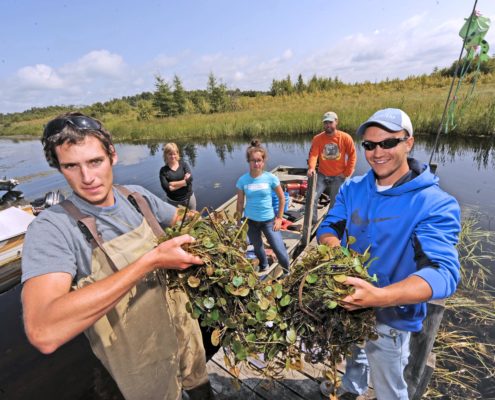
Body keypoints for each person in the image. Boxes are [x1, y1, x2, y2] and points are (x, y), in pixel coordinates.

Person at [21, 112, 214, 400]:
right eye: (71, 166)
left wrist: (217, 232)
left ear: (112, 156)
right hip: (140, 366)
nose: (87, 178)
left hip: (185, 336)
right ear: (60, 169)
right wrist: (151, 261)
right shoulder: (52, 228)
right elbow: (43, 331)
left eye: (95, 161)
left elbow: (182, 218)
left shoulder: (136, 197)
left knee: (201, 389)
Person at [317, 108, 461, 399]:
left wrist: (378, 297)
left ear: (409, 142)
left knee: (389, 385)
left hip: (393, 317)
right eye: (369, 145)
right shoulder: (353, 187)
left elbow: (443, 273)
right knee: (353, 352)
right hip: (348, 301)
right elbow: (329, 226)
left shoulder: (434, 204)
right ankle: (352, 387)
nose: (377, 152)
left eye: (388, 142)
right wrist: (339, 254)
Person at [236, 139, 290, 276]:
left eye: (259, 160)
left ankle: (287, 272)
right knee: (258, 247)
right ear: (249, 161)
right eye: (253, 160)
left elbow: (282, 198)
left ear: (263, 161)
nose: (256, 163)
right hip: (250, 221)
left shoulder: (270, 178)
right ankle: (264, 266)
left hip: (268, 221)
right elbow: (240, 203)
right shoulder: (242, 181)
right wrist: (238, 222)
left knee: (279, 249)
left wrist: (279, 218)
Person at [307, 111, 356, 225]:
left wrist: (346, 173)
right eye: (325, 123)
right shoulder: (318, 138)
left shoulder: (345, 137)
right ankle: (313, 221)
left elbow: (352, 155)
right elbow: (314, 154)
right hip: (322, 174)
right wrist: (311, 168)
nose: (327, 125)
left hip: (339, 176)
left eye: (330, 122)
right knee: (312, 198)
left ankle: (328, 222)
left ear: (336, 122)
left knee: (335, 201)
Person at [159, 142, 197, 210]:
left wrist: (173, 184)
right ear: (166, 155)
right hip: (174, 203)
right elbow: (168, 188)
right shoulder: (163, 171)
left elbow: (190, 179)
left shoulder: (184, 165)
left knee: (193, 218)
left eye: (174, 154)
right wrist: (185, 182)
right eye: (170, 154)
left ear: (177, 154)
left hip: (189, 199)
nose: (173, 156)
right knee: (178, 220)